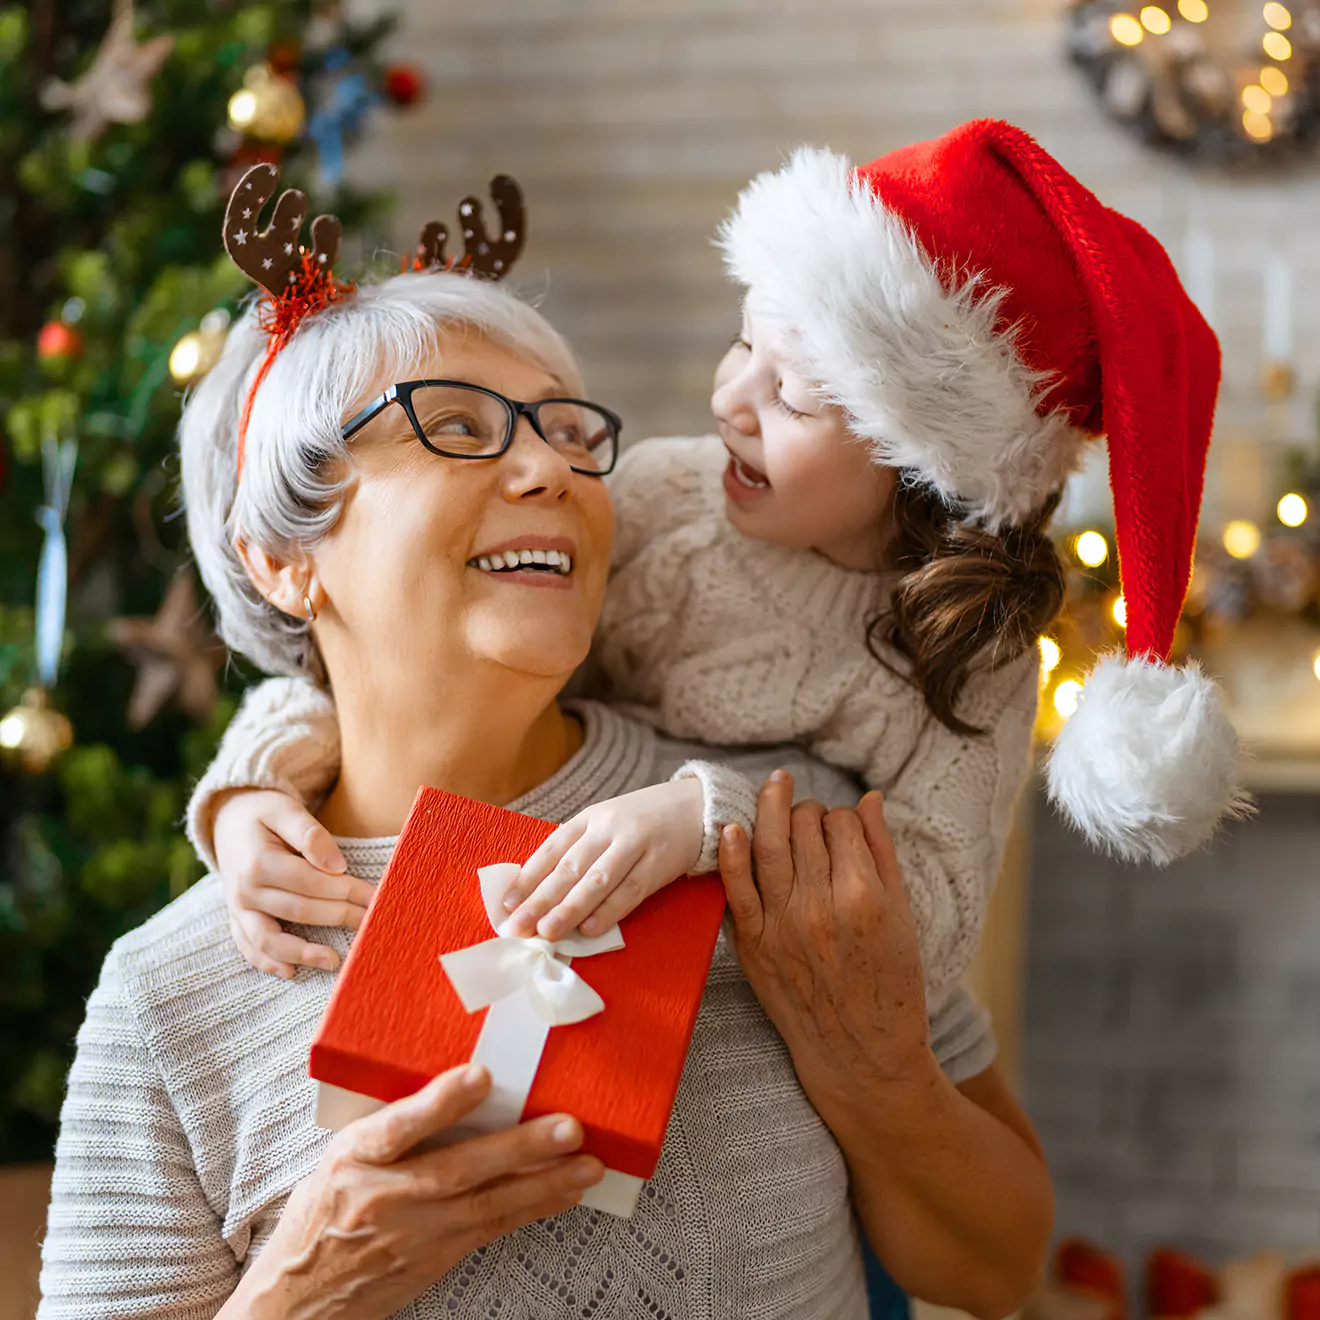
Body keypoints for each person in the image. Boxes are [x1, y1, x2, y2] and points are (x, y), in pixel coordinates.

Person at [37, 164, 1053, 1320]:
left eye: (568, 432)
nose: (550, 471)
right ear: (284, 558)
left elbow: (998, 1267)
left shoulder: (776, 828)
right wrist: (305, 1285)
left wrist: (876, 1073)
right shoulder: (170, 997)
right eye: (457, 427)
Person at [195, 121, 1241, 1036]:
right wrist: (255, 790)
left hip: (686, 984)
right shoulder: (660, 499)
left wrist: (708, 825)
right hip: (528, 909)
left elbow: (926, 939)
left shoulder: (967, 656)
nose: (729, 400)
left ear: (922, 463)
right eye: (741, 342)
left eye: (788, 392)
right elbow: (396, 674)